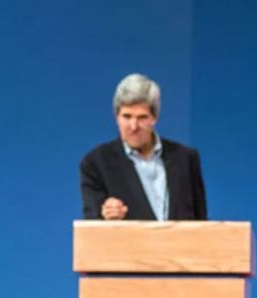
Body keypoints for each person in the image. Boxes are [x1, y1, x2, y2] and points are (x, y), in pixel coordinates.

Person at [79, 72, 207, 221]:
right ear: (116, 118)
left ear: (154, 118)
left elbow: (201, 223)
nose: (133, 126)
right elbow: (92, 229)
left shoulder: (186, 159)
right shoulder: (96, 164)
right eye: (127, 116)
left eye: (142, 117)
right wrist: (106, 217)